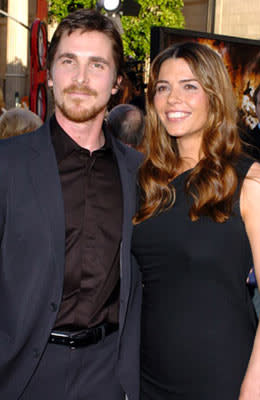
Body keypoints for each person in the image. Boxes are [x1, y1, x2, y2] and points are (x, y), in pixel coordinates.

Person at [0, 8, 142, 399]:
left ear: (116, 82)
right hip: (19, 375)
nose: (80, 79)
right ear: (49, 74)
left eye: (97, 65)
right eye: (68, 62)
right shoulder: (6, 164)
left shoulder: (140, 174)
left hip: (107, 374)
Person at [131, 42, 260, 399]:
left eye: (189, 86)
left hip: (221, 375)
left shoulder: (248, 180)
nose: (173, 98)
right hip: (147, 376)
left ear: (214, 96)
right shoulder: (147, 182)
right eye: (163, 87)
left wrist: (254, 385)